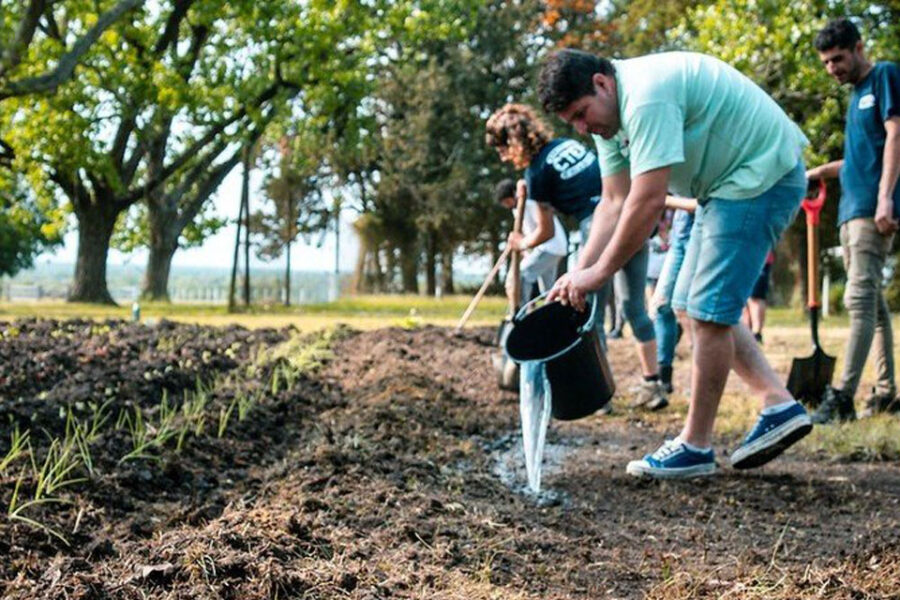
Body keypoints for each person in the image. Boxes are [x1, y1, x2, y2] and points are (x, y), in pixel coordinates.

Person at [538, 49, 811, 478]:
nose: (581, 127)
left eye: (581, 113)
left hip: (760, 175)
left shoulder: (646, 96)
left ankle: (696, 446)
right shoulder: (608, 122)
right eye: (572, 121)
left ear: (601, 84)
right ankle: (778, 402)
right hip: (722, 188)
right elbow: (613, 201)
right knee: (687, 304)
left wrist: (600, 272)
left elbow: (646, 201)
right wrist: (579, 271)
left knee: (708, 312)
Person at [486, 103, 668, 411]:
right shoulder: (565, 145)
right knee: (634, 308)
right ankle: (654, 385)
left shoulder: (537, 173)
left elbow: (544, 233)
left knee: (590, 314)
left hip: (598, 227)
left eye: (502, 150)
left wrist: (520, 242)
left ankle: (600, 396)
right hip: (632, 217)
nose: (503, 157)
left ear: (512, 144)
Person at [806, 18, 900, 422]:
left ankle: (842, 396)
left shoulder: (885, 76)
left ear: (859, 47)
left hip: (871, 211)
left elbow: (896, 136)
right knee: (874, 305)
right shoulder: (855, 96)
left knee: (858, 300)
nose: (832, 69)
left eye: (838, 59)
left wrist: (885, 200)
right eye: (826, 63)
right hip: (850, 210)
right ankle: (885, 392)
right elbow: (860, 158)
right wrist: (815, 173)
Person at [495, 178, 568, 305]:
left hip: (550, 247)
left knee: (521, 276)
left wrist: (522, 243)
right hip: (551, 248)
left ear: (514, 193)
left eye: (507, 201)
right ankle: (552, 318)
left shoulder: (531, 203)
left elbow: (542, 230)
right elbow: (527, 234)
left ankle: (520, 316)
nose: (507, 205)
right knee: (548, 289)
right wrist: (522, 246)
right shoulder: (517, 210)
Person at [651, 200, 697, 394]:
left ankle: (700, 380)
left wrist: (660, 196)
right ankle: (664, 378)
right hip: (679, 236)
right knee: (661, 305)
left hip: (701, 235)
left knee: (686, 309)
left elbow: (697, 203)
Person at [742, 250, 775, 344]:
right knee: (744, 299)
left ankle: (756, 334)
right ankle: (746, 333)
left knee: (755, 297)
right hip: (742, 258)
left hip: (759, 256)